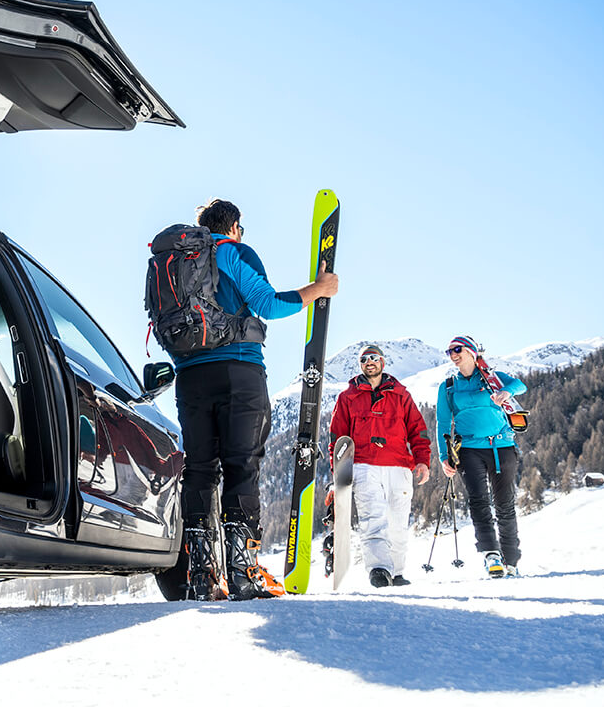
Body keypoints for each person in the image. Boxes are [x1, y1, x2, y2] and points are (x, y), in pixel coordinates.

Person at [173, 198, 339, 600]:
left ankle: (199, 576)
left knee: (198, 468)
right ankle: (242, 573)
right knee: (241, 466)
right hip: (238, 371)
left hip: (189, 375)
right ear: (233, 225)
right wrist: (318, 289)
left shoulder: (176, 261)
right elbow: (266, 304)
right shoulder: (230, 251)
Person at [328, 344, 431, 588]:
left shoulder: (401, 395)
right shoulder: (347, 397)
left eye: (374, 358)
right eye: (364, 359)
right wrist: (339, 471)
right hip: (364, 465)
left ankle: (396, 572)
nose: (369, 362)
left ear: (382, 363)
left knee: (398, 520)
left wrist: (423, 461)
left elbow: (419, 430)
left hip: (399, 466)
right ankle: (379, 569)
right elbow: (337, 437)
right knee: (373, 517)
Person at [436, 335, 527, 578]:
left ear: (472, 352)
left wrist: (506, 392)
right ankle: (491, 555)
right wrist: (444, 456)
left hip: (502, 447)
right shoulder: (448, 387)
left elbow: (520, 385)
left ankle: (511, 560)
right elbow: (443, 422)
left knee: (505, 504)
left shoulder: (492, 379)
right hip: (468, 449)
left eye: (457, 349)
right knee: (479, 502)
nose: (453, 355)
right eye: (449, 352)